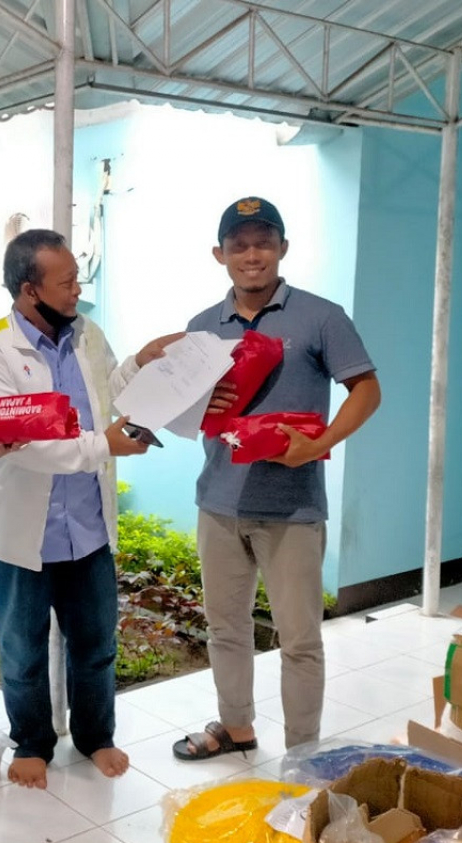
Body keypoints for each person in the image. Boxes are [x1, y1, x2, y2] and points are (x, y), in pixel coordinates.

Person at [145, 196, 380, 759]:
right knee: (226, 629)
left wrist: (320, 444)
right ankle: (237, 727)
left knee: (300, 641)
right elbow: (182, 406)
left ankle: (304, 755)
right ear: (220, 254)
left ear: (282, 249)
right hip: (218, 502)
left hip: (293, 508)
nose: (252, 255)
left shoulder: (321, 316)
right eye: (240, 245)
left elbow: (367, 390)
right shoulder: (202, 328)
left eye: (263, 242)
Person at [0, 228, 177, 789]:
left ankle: (95, 737)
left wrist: (141, 364)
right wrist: (104, 444)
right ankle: (32, 742)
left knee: (96, 644)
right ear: (30, 290)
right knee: (23, 647)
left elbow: (109, 391)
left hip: (87, 526)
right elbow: (24, 445)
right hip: (17, 533)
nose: (78, 290)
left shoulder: (86, 334)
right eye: (67, 283)